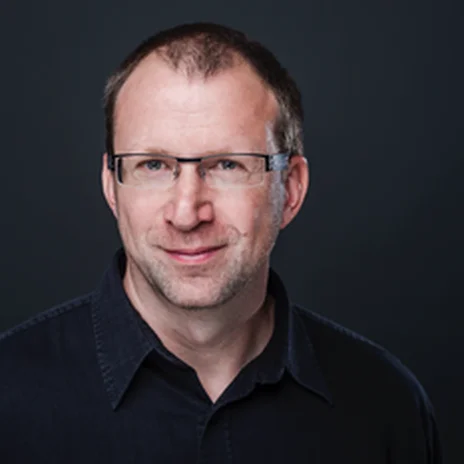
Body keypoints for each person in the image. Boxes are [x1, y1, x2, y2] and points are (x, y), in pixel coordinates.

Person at [0, 23, 442, 463]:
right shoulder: (9, 399)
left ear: (290, 189)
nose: (187, 213)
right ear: (111, 186)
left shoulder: (388, 408)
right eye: (153, 165)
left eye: (227, 165)